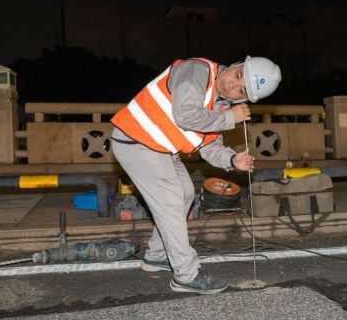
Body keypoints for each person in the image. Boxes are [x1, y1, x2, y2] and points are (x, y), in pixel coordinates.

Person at [109, 56, 281, 294]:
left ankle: (157, 256)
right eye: (238, 76)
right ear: (235, 65)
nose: (231, 86)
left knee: (186, 193)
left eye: (241, 90)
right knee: (170, 198)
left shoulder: (219, 104)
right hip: (135, 140)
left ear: (242, 98)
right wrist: (231, 117)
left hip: (160, 148)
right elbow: (186, 116)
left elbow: (209, 145)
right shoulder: (197, 70)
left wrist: (232, 159)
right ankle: (186, 275)